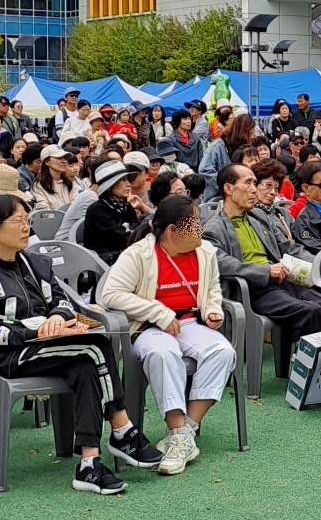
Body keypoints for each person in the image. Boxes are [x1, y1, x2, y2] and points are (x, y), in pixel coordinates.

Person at [0, 194, 159, 493]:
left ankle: (89, 464)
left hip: (50, 348)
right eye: (18, 222)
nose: (26, 227)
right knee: (95, 348)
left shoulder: (36, 263)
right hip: (7, 357)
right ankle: (122, 430)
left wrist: (57, 318)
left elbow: (63, 301)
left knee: (85, 365)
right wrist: (36, 333)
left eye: (27, 220)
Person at [99, 196, 234, 476]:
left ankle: (183, 434)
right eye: (195, 222)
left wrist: (212, 310)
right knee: (163, 354)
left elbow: (212, 291)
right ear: (173, 230)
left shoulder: (205, 251)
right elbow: (110, 294)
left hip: (189, 323)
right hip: (148, 328)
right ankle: (176, 427)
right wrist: (158, 311)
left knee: (223, 352)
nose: (201, 227)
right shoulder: (139, 254)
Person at [203, 165, 321, 344]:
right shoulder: (213, 228)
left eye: (255, 183)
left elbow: (289, 248)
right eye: (248, 183)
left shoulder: (259, 217)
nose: (254, 189)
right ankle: (314, 369)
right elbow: (223, 263)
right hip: (254, 289)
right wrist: (265, 271)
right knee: (311, 312)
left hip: (285, 281)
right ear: (228, 188)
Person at [81, 161, 140, 265]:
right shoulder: (97, 210)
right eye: (122, 180)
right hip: (102, 262)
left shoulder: (126, 206)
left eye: (127, 180)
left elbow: (135, 226)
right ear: (109, 186)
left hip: (125, 256)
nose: (128, 184)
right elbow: (122, 236)